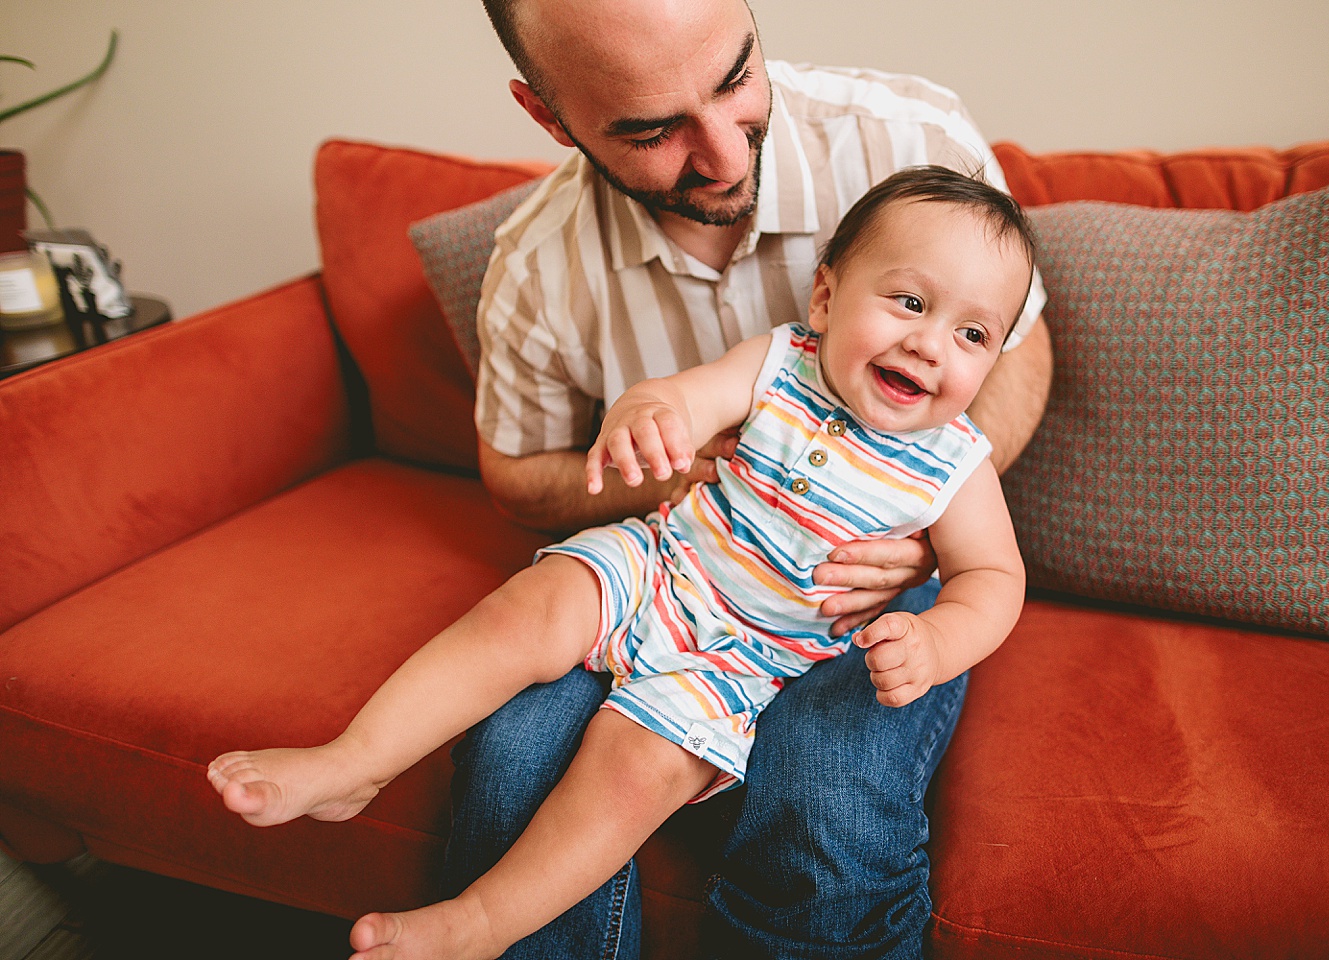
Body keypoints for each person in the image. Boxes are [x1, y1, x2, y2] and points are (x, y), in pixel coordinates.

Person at [207, 164, 1035, 960]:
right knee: (523, 613)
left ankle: (482, 923)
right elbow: (686, 395)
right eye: (909, 302)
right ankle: (354, 763)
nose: (930, 345)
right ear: (825, 298)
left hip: (748, 658)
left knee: (636, 769)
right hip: (663, 562)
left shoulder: (952, 465)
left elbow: (993, 580)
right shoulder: (782, 362)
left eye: (971, 335)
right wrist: (650, 413)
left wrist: (939, 644)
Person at [452, 2, 1053, 957]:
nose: (727, 156)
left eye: (736, 79)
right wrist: (653, 474)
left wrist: (916, 532)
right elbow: (514, 474)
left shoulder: (910, 138)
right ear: (552, 117)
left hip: (858, 583)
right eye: (652, 129)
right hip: (677, 554)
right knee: (507, 759)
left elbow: (1017, 356)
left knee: (821, 788)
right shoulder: (535, 265)